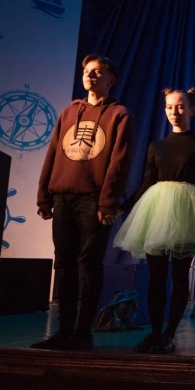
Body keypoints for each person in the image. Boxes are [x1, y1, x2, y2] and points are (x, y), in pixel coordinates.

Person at [113, 88, 195, 354]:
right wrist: (123, 209)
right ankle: (155, 333)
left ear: (191, 110)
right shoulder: (157, 146)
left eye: (179, 106)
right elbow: (146, 182)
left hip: (186, 210)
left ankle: (169, 334)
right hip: (157, 210)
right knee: (156, 277)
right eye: (169, 107)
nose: (174, 112)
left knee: (179, 276)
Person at [32, 54, 134, 351]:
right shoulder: (68, 113)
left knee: (89, 263)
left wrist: (107, 202)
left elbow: (119, 162)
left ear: (111, 80)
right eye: (88, 71)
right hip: (63, 197)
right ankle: (64, 330)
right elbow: (53, 153)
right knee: (63, 263)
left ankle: (82, 332)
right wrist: (43, 196)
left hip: (94, 199)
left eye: (98, 71)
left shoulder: (119, 114)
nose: (91, 75)